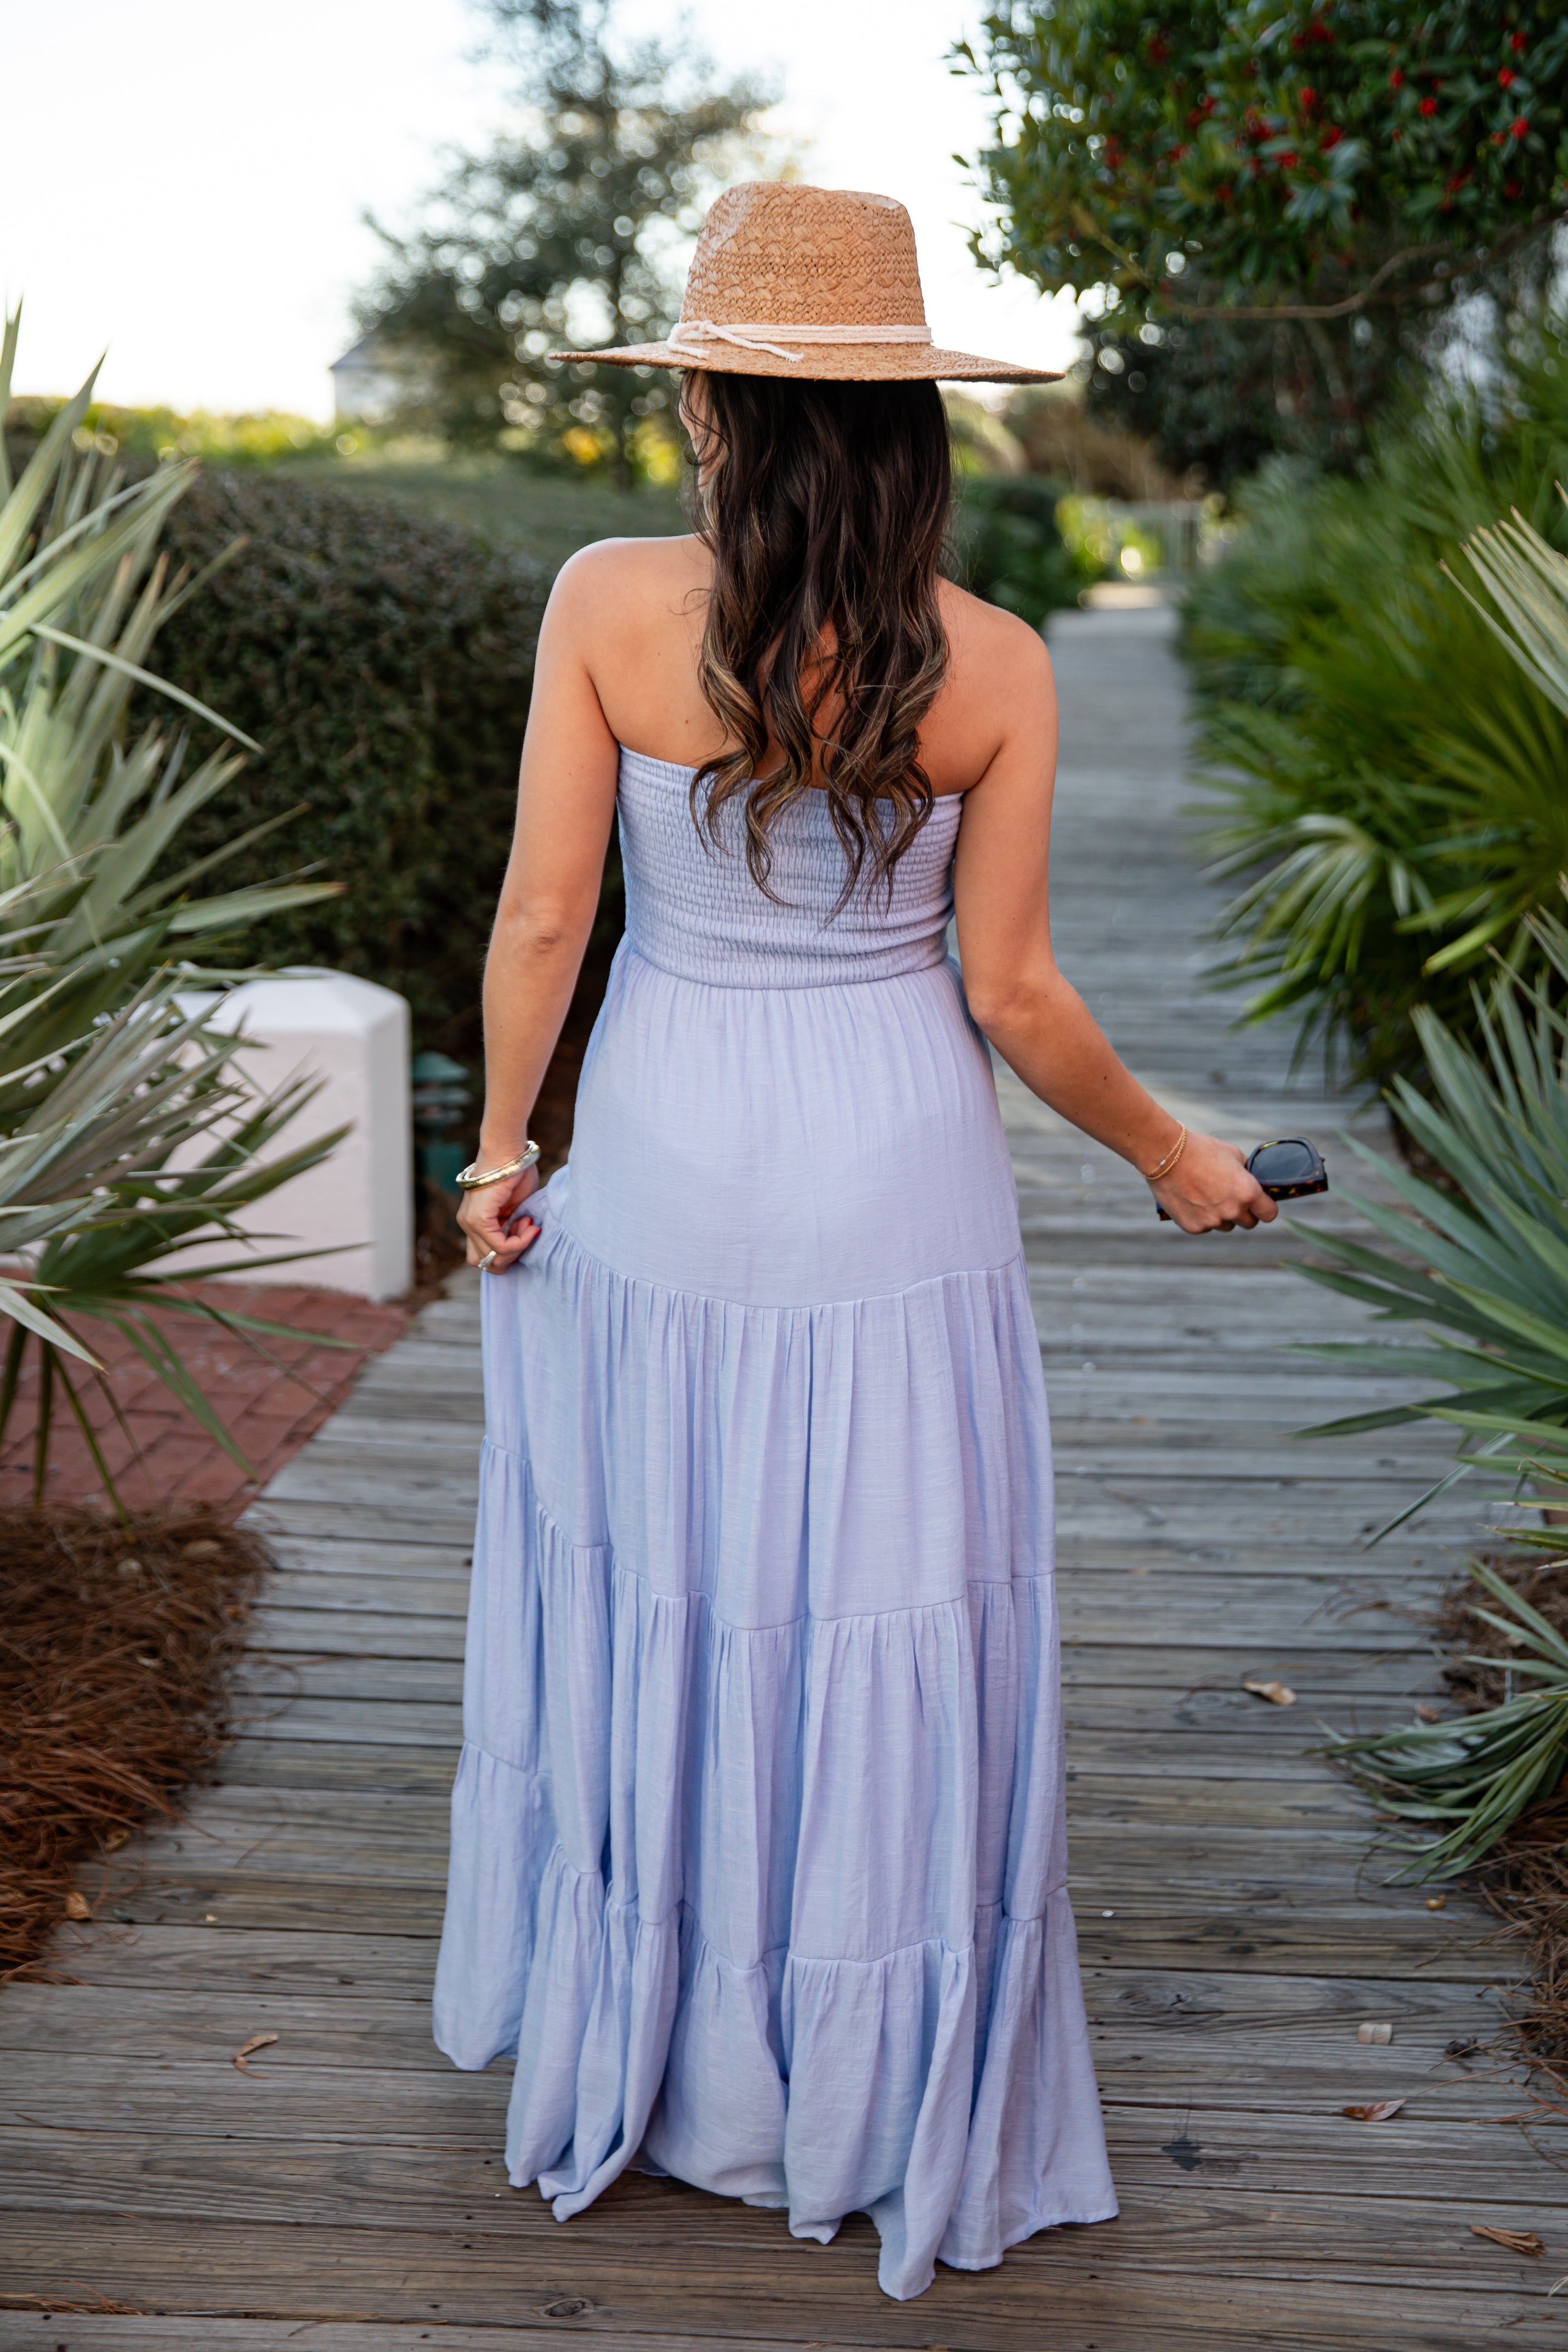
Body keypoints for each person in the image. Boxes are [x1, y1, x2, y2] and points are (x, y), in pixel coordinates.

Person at [436, 181, 1275, 2303]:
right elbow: (1014, 996)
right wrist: (1172, 1154)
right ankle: (868, 2075)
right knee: (880, 1595)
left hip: (670, 1153)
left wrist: (498, 1154)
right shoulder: (991, 661)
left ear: (709, 407)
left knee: (683, 1575)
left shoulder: (608, 603)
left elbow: (544, 917)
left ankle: (676, 2048)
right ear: (915, 423)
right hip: (898, 1170)